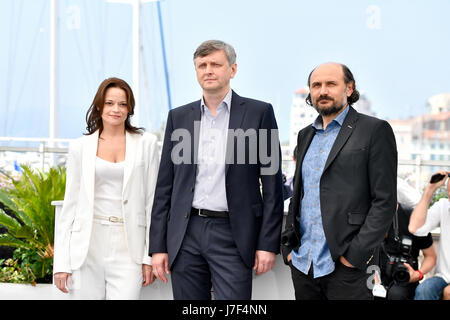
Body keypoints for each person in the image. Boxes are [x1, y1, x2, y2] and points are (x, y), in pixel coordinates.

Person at [149, 40, 284, 300]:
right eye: (202, 65)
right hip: (185, 233)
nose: (208, 70)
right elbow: (164, 186)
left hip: (234, 234)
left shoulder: (259, 113)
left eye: (215, 64)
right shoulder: (179, 117)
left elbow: (272, 185)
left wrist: (267, 244)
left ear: (232, 70)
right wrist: (158, 247)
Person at [281, 62, 397, 300]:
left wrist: (353, 258)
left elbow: (384, 202)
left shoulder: (374, 130)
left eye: (331, 84)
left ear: (349, 88)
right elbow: (300, 195)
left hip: (347, 267)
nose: (323, 91)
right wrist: (289, 248)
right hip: (304, 265)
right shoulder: (305, 135)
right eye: (316, 85)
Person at [53, 77, 160, 299]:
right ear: (99, 105)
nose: (116, 109)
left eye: (122, 104)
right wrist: (61, 263)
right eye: (110, 103)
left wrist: (147, 258)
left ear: (129, 108)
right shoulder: (79, 147)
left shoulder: (146, 144)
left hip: (129, 246)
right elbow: (70, 206)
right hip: (86, 245)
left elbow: (153, 203)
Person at [378, 202, 436, 300]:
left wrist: (418, 274)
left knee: (396, 294)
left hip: (403, 280)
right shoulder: (363, 214)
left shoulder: (412, 217)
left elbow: (431, 256)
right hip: (372, 277)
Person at [409, 170, 450, 300]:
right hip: (444, 277)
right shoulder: (444, 206)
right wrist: (430, 189)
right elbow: (415, 228)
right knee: (424, 290)